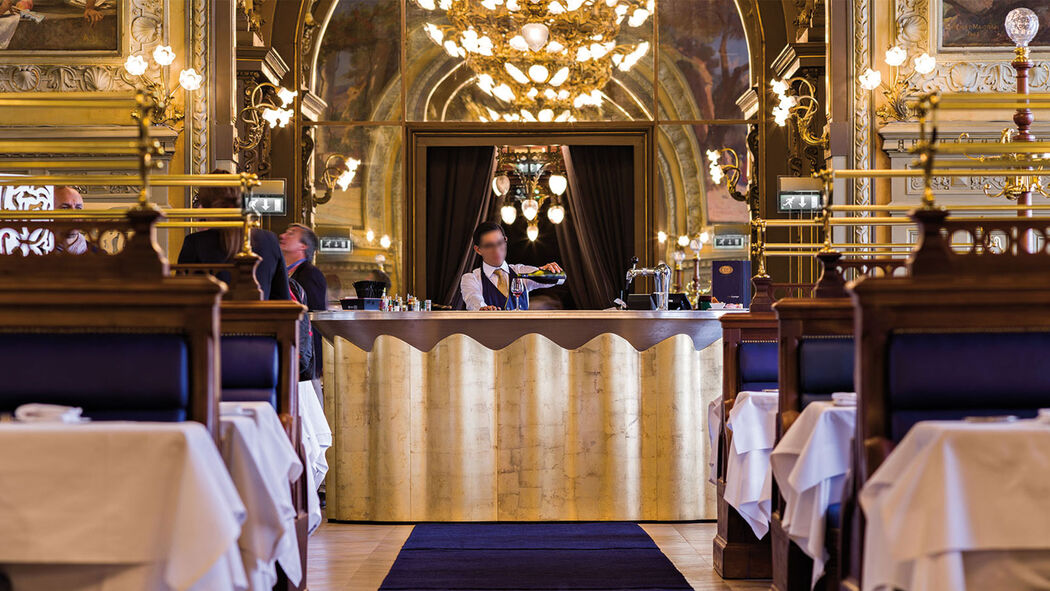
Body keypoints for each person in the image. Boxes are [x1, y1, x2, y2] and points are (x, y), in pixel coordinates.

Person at [177, 173, 289, 300]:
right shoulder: (270, 240)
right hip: (260, 319)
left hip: (212, 319)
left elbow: (182, 298)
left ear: (207, 207)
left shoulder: (195, 243)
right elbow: (283, 298)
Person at [460, 221, 563, 311]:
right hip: (490, 332)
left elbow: (560, 280)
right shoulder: (471, 278)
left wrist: (552, 271)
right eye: (489, 246)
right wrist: (482, 308)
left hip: (523, 332)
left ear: (505, 240)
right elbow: (473, 298)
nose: (496, 250)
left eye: (500, 243)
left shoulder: (520, 271)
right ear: (478, 250)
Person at [280, 223, 327, 379]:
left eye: (291, 233)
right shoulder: (285, 272)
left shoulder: (310, 274)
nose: (283, 236)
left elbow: (313, 316)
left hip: (306, 354)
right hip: (292, 348)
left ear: (303, 246)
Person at [53, 186, 88, 254]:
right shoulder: (33, 252)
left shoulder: (101, 256)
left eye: (78, 208)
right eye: (65, 208)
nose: (74, 214)